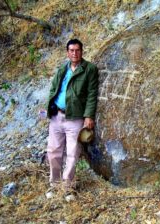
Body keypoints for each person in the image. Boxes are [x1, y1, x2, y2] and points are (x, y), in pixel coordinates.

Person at [46, 39, 98, 192]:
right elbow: (53, 89)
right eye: (71, 50)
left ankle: (68, 187)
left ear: (82, 51)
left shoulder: (89, 69)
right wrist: (50, 107)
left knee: (72, 153)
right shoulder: (63, 68)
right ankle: (54, 185)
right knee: (53, 151)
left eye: (77, 50)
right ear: (67, 52)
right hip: (57, 117)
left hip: (75, 118)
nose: (74, 53)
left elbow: (91, 94)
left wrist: (89, 116)